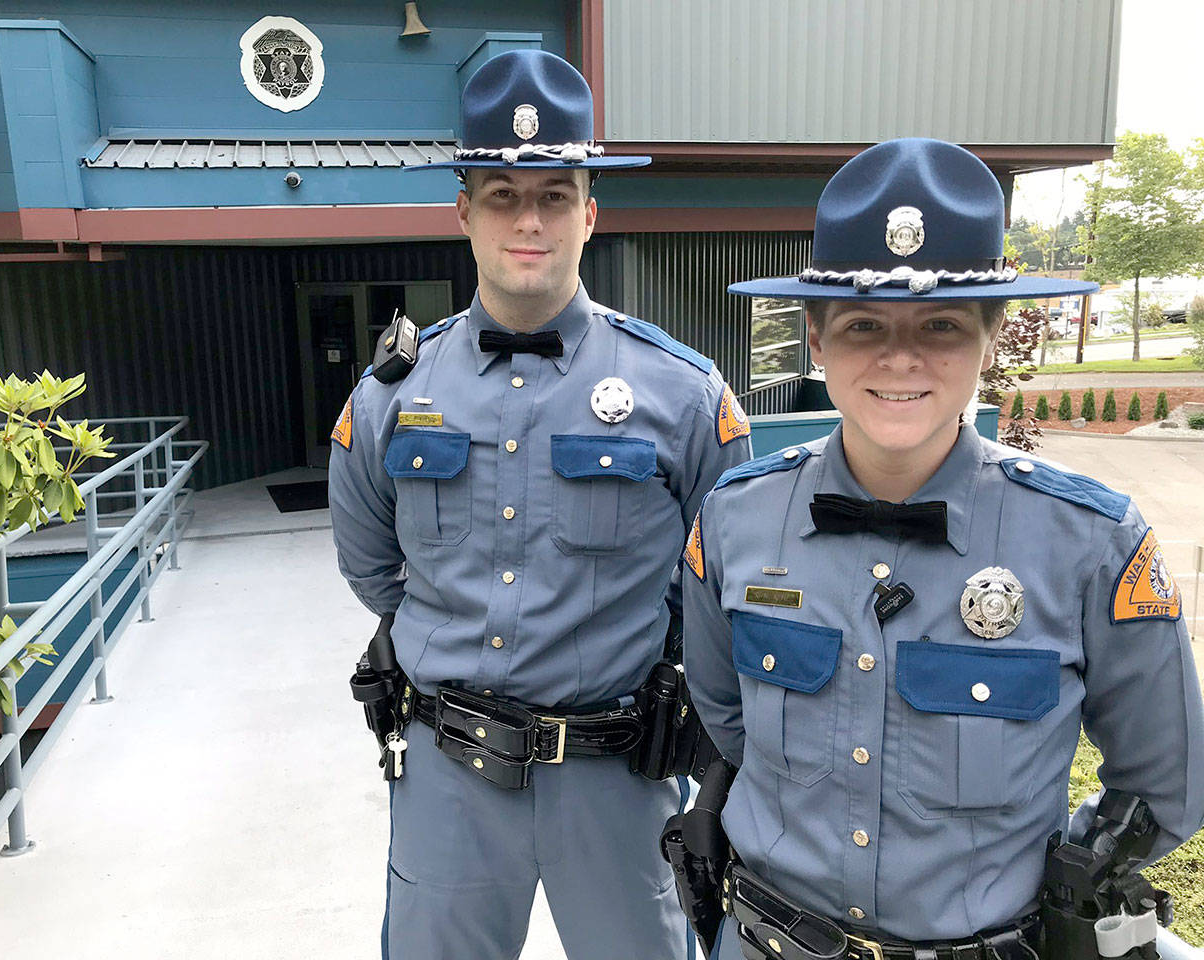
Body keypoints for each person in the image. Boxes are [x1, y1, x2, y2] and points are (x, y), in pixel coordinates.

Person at [681, 137, 1204, 960]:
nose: (901, 357)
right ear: (815, 338)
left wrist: (1051, 876)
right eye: (861, 324)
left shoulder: (1092, 541)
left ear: (991, 338)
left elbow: (1163, 786)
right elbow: (726, 718)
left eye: (942, 324)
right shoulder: (736, 521)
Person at [329, 49, 752, 960]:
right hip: (447, 776)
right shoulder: (390, 396)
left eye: (555, 194)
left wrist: (658, 667)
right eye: (502, 195)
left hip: (617, 774)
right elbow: (371, 565)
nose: (531, 219)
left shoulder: (682, 395)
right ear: (465, 212)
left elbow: (726, 580)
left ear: (590, 213)